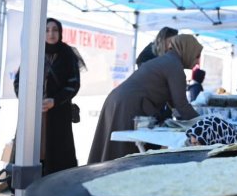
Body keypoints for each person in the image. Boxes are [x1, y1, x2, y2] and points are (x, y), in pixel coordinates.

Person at [88, 34, 203, 162]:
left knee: (110, 148)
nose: (198, 62)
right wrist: (204, 124)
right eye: (197, 55)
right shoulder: (174, 66)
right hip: (128, 105)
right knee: (122, 154)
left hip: (118, 100)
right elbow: (181, 105)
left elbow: (175, 104)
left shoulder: (168, 61)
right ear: (187, 49)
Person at [14, 18, 84, 176]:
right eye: (46, 30)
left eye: (54, 30)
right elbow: (19, 81)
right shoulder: (34, 53)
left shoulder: (67, 54)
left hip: (58, 112)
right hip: (34, 113)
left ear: (60, 32)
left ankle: (55, 186)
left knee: (58, 152)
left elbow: (73, 84)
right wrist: (29, 102)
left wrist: (55, 101)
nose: (51, 33)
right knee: (31, 150)